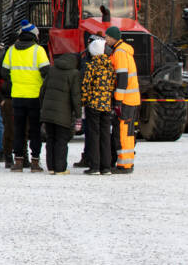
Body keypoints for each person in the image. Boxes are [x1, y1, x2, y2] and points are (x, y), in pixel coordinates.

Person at [1, 20, 50, 172]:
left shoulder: (11, 50)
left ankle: (18, 161)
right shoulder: (38, 50)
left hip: (17, 95)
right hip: (35, 96)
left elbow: (4, 72)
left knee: (18, 129)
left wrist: (14, 83)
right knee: (34, 130)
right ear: (35, 35)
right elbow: (46, 72)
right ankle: (35, 161)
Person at [39, 52, 82, 175]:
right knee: (61, 140)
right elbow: (75, 97)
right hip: (63, 114)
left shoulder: (52, 70)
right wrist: (78, 115)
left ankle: (51, 167)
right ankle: (60, 168)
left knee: (50, 139)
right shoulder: (74, 74)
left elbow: (43, 91)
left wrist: (43, 107)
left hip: (48, 112)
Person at [105, 26, 139, 174]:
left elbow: (122, 77)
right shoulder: (125, 50)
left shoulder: (119, 52)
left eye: (107, 37)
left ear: (113, 38)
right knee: (129, 131)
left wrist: (117, 100)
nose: (106, 40)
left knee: (123, 132)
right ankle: (128, 162)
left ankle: (124, 165)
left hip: (125, 99)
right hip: (131, 99)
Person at [81, 36, 116, 175]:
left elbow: (86, 86)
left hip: (93, 105)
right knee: (105, 135)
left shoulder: (91, 66)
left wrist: (83, 101)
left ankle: (94, 166)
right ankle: (106, 166)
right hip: (106, 105)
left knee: (94, 135)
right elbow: (113, 83)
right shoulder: (109, 66)